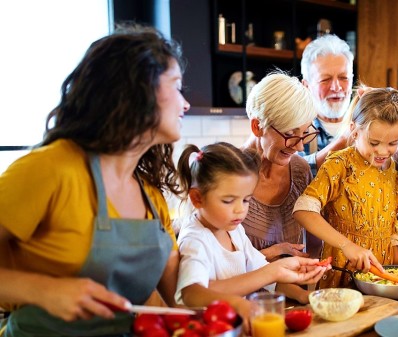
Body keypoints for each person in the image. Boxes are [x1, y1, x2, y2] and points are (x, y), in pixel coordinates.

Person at [0, 25, 188, 335]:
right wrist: (43, 290)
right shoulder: (50, 169)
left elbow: (160, 303)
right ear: (136, 88)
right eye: (177, 85)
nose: (186, 103)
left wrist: (221, 315)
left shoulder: (150, 196)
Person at [293, 87, 398, 289]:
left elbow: (391, 233)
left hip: (381, 280)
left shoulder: (392, 172)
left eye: (393, 143)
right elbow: (302, 210)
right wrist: (347, 245)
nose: (383, 152)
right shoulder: (340, 165)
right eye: (374, 142)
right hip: (343, 276)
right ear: (354, 130)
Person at [174, 143, 328, 311]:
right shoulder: (195, 239)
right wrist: (239, 303)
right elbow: (191, 294)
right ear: (197, 198)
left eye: (246, 200)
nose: (240, 210)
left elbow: (264, 276)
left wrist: (302, 295)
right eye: (228, 201)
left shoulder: (234, 230)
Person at [241, 72, 323, 262]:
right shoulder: (226, 173)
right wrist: (267, 255)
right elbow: (215, 268)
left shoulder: (300, 171)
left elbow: (313, 244)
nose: (300, 146)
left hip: (293, 291)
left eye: (304, 133)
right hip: (240, 292)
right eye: (289, 133)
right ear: (257, 126)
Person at [300, 34, 355, 176]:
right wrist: (343, 142)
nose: (336, 87)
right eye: (325, 79)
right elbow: (293, 174)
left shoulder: (365, 121)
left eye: (344, 78)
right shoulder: (296, 130)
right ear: (306, 86)